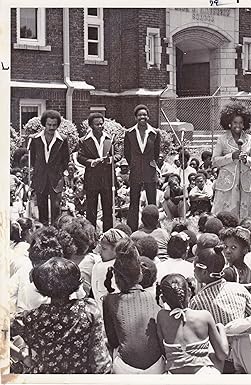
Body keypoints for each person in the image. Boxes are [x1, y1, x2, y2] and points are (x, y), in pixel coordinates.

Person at [11, 257, 112, 374]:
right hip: (79, 377)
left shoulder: (32, 317)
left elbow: (5, 329)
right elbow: (100, 359)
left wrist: (22, 355)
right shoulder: (89, 311)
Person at [190, 243, 251, 373]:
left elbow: (196, 336)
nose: (193, 272)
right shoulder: (239, 289)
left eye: (195, 269)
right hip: (247, 357)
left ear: (204, 272)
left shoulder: (196, 302)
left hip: (220, 362)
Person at [103, 238, 165, 373]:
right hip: (156, 366)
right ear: (140, 275)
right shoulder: (152, 297)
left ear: (116, 277)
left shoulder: (109, 300)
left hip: (126, 368)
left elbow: (113, 342)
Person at [156, 274, 229, 374]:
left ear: (163, 298)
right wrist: (221, 328)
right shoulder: (204, 316)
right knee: (213, 350)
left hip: (174, 377)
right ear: (189, 292)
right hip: (202, 375)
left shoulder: (162, 317)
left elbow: (163, 349)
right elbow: (223, 355)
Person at [211, 103, 251, 222]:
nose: (238, 125)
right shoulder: (222, 139)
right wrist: (231, 156)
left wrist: (247, 159)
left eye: (241, 122)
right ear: (229, 123)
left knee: (245, 219)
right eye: (235, 122)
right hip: (227, 185)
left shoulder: (249, 139)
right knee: (225, 218)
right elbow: (214, 161)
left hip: (244, 184)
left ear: (245, 124)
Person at [78, 112, 121, 230]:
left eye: (102, 124)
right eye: (97, 124)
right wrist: (91, 162)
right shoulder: (84, 140)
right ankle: (91, 234)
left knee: (108, 208)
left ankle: (108, 233)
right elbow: (80, 157)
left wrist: (111, 159)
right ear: (91, 126)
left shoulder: (110, 138)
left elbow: (118, 154)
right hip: (92, 179)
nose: (100, 126)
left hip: (107, 178)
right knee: (91, 209)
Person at [28, 110, 70, 225]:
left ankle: (55, 234)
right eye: (49, 125)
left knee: (56, 207)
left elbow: (66, 159)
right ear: (44, 124)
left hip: (56, 179)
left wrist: (62, 173)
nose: (51, 128)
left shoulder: (62, 139)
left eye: (54, 125)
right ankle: (44, 234)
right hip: (40, 178)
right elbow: (32, 159)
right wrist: (35, 172)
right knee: (42, 208)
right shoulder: (35, 139)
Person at [124, 104, 161, 232]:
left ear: (148, 116)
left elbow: (156, 153)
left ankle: (153, 227)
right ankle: (132, 228)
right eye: (140, 115)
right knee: (134, 202)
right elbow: (127, 153)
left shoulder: (155, 133)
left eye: (144, 115)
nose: (142, 117)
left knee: (151, 201)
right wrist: (134, 164)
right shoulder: (129, 133)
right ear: (136, 118)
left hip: (149, 171)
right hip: (135, 171)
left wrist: (149, 164)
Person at [220, 227, 251, 292]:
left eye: (233, 247)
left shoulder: (229, 272)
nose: (227, 251)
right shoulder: (247, 270)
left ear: (244, 250)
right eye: (225, 246)